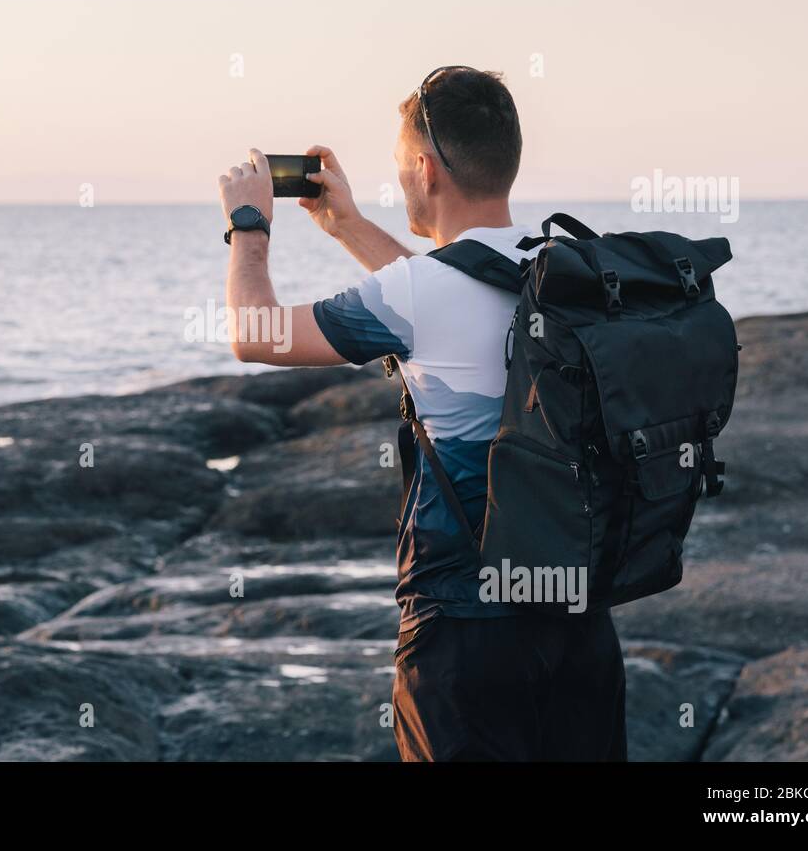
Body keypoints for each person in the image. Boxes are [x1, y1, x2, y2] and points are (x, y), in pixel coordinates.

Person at [216, 66, 627, 761]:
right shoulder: (563, 266)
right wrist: (346, 226)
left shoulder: (422, 292)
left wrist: (248, 224)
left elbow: (255, 334)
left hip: (466, 633)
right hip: (579, 621)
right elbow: (449, 296)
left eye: (402, 168)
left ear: (425, 168)